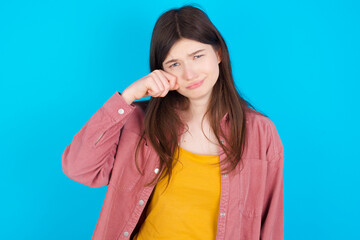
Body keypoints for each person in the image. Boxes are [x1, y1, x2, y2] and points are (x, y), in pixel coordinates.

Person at [62, 5, 284, 240]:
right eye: (175, 64)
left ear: (218, 53)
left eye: (197, 56)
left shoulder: (260, 133)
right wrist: (128, 97)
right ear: (161, 71)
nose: (190, 74)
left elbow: (270, 226)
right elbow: (79, 169)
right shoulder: (140, 122)